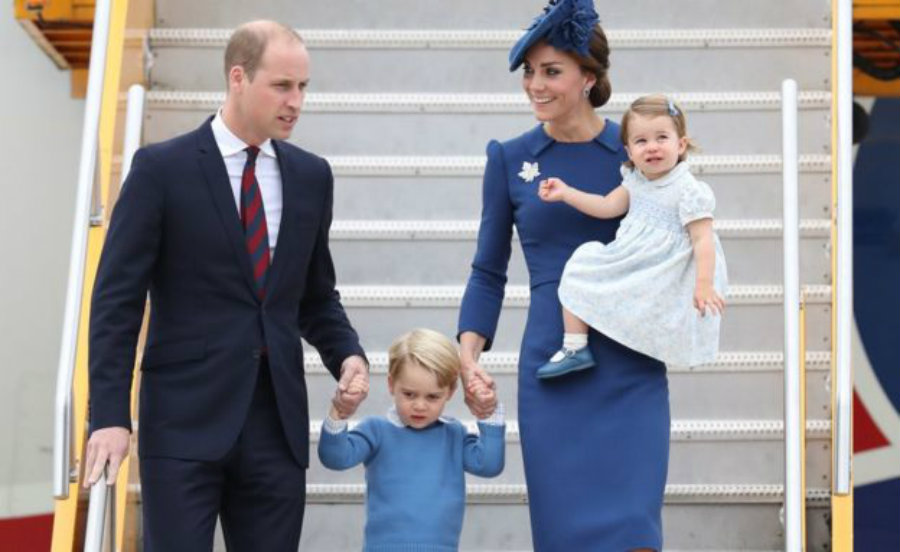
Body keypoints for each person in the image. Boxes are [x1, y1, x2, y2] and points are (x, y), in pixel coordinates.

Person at [83, 20, 369, 552]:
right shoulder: (160, 170)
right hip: (183, 423)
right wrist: (109, 416)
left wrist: (347, 354)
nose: (296, 101)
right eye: (282, 86)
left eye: (303, 87)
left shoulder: (312, 176)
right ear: (238, 77)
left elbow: (314, 294)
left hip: (275, 428)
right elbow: (116, 303)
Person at [457, 0, 670, 549]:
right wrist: (469, 353)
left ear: (588, 77)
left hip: (632, 362)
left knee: (634, 532)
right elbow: (488, 270)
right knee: (564, 537)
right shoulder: (510, 158)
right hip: (554, 368)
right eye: (529, 72)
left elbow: (683, 232)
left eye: (551, 71)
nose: (535, 85)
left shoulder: (637, 151)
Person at [535, 94, 728, 378]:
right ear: (629, 151)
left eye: (662, 137)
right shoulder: (635, 181)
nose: (652, 147)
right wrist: (567, 193)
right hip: (634, 260)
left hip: (667, 271)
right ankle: (576, 346)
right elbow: (605, 206)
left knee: (656, 308)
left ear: (681, 144)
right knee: (581, 264)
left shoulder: (689, 190)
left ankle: (642, 341)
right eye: (641, 141)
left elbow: (703, 239)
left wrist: (703, 284)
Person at [318, 328, 505, 551]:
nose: (419, 405)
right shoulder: (376, 431)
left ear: (450, 391)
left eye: (432, 397)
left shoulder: (454, 434)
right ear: (391, 384)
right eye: (409, 394)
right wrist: (339, 413)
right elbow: (334, 458)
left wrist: (488, 412)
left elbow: (490, 464)